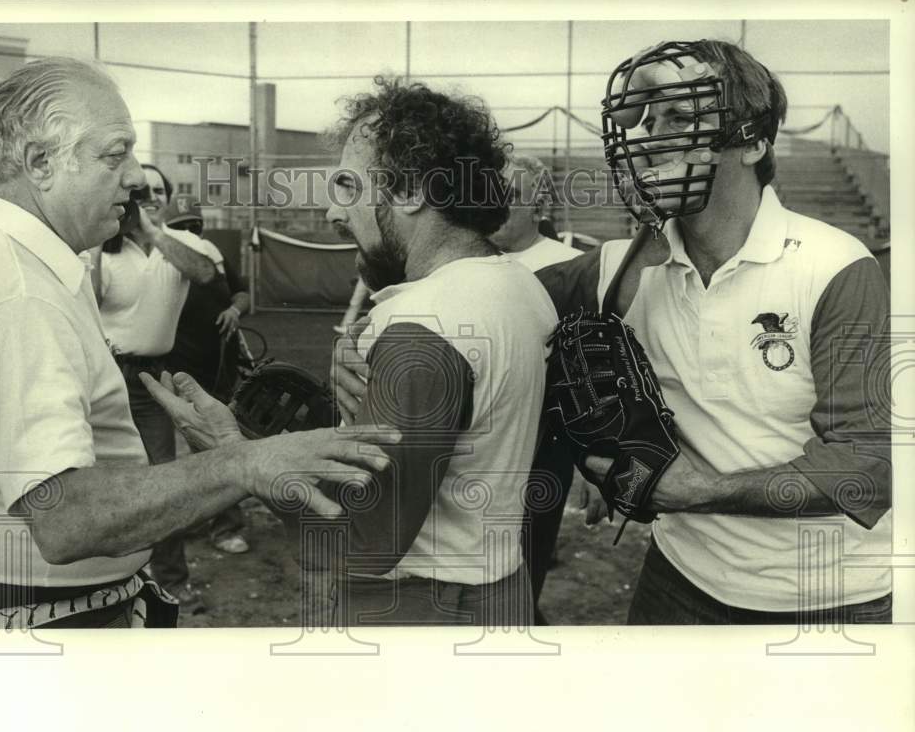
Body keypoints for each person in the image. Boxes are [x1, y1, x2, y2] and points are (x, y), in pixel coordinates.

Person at [0, 56, 399, 629]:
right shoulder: (20, 288)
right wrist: (246, 461)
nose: (136, 177)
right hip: (34, 616)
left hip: (24, 602)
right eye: (115, 154)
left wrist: (228, 452)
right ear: (40, 163)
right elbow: (65, 517)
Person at [148, 76, 558, 627]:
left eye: (347, 185)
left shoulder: (425, 323)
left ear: (410, 191)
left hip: (417, 608)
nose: (333, 213)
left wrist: (236, 456)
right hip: (501, 586)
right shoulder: (519, 285)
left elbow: (361, 545)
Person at [537, 39, 893, 624]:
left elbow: (866, 468)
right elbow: (498, 296)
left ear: (752, 142)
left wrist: (697, 489)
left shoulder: (833, 266)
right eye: (647, 122)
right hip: (680, 573)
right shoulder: (623, 268)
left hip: (824, 594)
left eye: (679, 117)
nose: (650, 139)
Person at [87, 164, 218, 602]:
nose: (150, 199)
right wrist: (104, 238)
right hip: (106, 374)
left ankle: (170, 581)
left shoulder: (182, 244)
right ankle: (108, 578)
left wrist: (153, 232)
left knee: (161, 478)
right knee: (103, 475)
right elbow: (90, 302)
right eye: (140, 193)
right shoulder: (103, 250)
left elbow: (206, 274)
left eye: (158, 192)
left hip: (150, 379)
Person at [489, 154, 584, 624]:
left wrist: (591, 460)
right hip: (472, 438)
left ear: (539, 205)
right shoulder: (461, 259)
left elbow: (589, 371)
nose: (493, 205)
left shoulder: (570, 267)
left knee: (520, 571)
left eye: (509, 196)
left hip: (541, 446)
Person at [163, 196, 252, 555]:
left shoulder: (212, 253)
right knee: (169, 451)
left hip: (219, 364)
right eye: (180, 227)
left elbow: (242, 293)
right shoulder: (159, 257)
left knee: (219, 443)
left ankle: (226, 524)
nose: (189, 232)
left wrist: (234, 310)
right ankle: (178, 524)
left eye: (194, 225)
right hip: (174, 364)